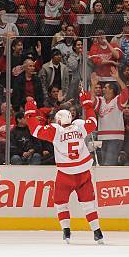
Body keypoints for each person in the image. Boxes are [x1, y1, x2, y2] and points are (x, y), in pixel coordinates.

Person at [24, 90, 104, 244]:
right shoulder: (79, 126)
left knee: (61, 203)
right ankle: (97, 232)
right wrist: (87, 104)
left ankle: (66, 232)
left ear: (58, 120)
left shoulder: (56, 130)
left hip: (65, 174)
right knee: (88, 204)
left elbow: (35, 130)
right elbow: (93, 122)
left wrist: (30, 113)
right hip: (83, 173)